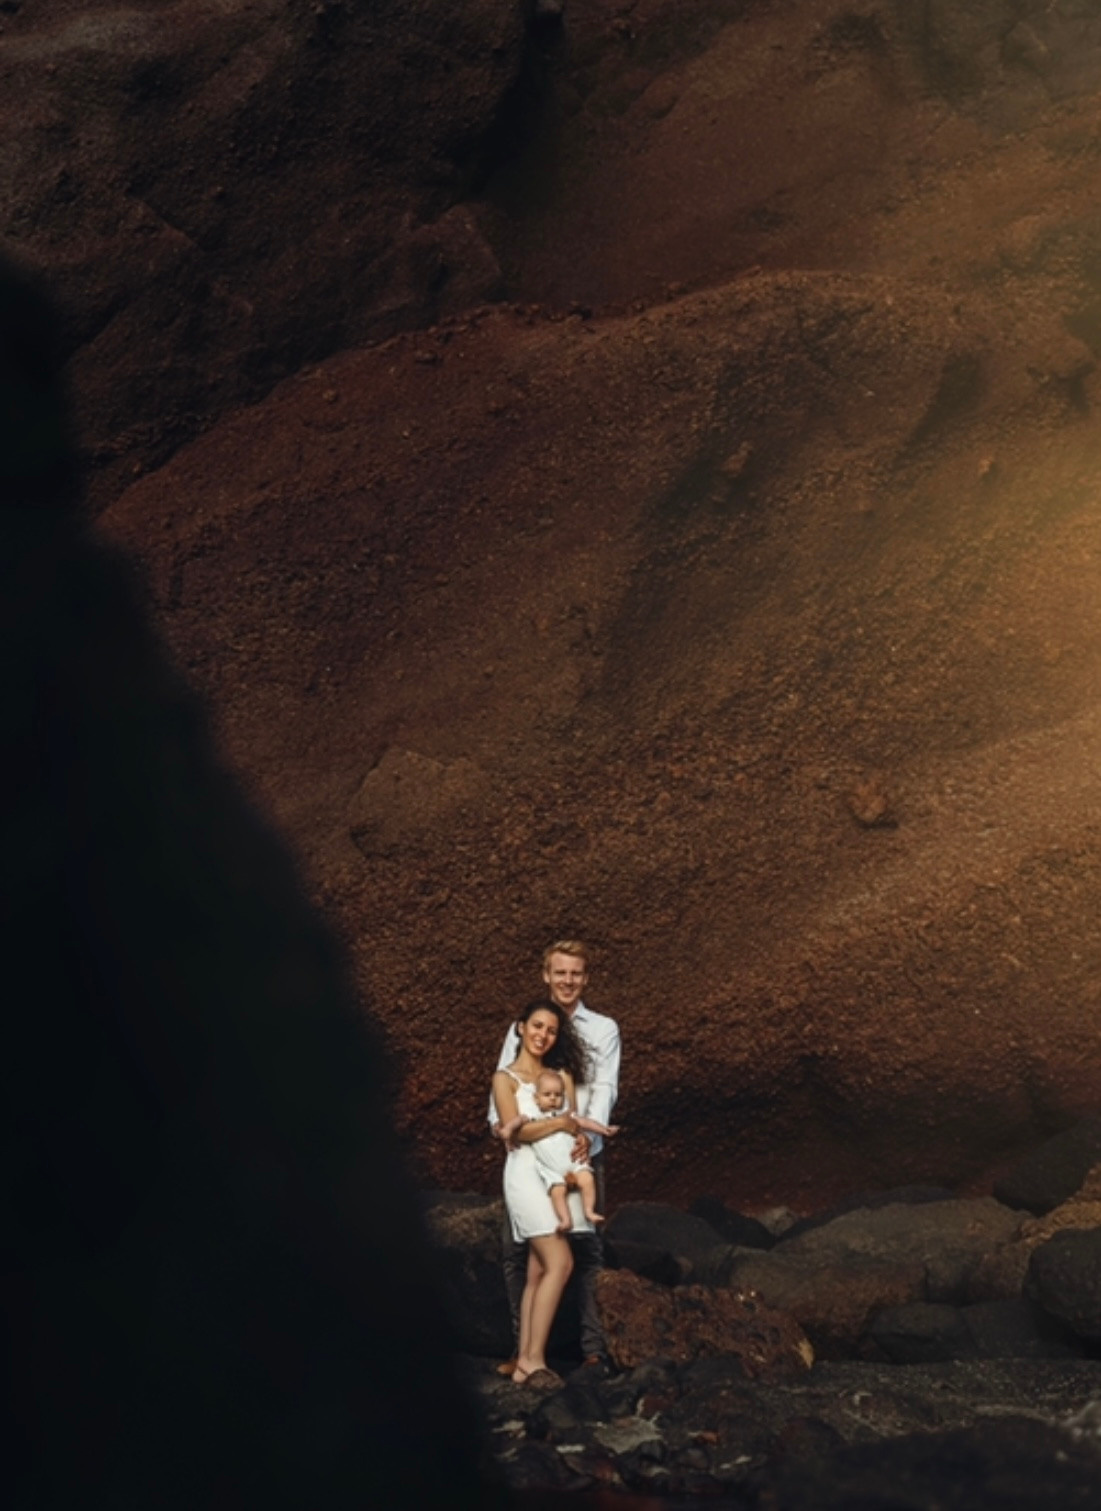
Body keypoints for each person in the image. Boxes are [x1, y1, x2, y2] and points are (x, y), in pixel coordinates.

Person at [491, 939, 621, 1371]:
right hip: (530, 1153)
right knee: (519, 1253)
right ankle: (525, 1351)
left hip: (579, 1150)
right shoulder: (524, 1025)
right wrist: (504, 1125)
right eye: (559, 972)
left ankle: (592, 1351)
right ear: (546, 975)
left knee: (586, 1252)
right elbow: (506, 1088)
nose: (567, 980)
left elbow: (603, 1087)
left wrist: (583, 1133)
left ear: (586, 978)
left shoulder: (601, 1029)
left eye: (575, 973)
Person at [492, 998, 593, 1386]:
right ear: (520, 1027)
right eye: (536, 1026)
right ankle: (534, 1359)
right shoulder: (505, 1079)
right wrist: (562, 1125)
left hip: (558, 1172)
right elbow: (514, 1130)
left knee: (537, 1270)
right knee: (561, 1262)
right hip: (524, 1175)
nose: (542, 1035)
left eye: (550, 1030)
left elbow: (573, 1124)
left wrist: (580, 1137)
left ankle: (526, 1364)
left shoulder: (561, 1075)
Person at [497, 1068, 619, 1230]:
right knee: (557, 1192)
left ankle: (588, 1211)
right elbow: (517, 1121)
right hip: (552, 1169)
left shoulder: (567, 1115)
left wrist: (603, 1129)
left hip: (574, 1162)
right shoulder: (534, 1115)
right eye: (547, 1095)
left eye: (558, 1095)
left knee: (588, 1179)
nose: (553, 1098)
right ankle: (565, 1219)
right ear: (537, 1098)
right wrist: (507, 1130)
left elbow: (585, 1122)